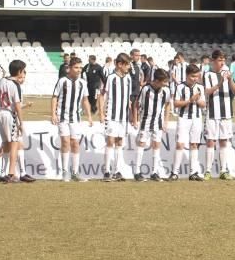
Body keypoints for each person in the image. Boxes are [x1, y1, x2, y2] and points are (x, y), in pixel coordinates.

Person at [51, 57, 92, 182]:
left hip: (75, 118)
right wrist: (53, 114)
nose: (79, 70)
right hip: (62, 117)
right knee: (65, 142)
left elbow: (85, 100)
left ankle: (75, 172)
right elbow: (54, 97)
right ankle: (64, 172)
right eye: (76, 67)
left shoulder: (82, 83)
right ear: (69, 68)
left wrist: (89, 116)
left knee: (75, 143)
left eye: (80, 67)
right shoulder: (62, 81)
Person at [203, 49, 235, 180]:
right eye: (219, 60)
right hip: (212, 113)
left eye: (224, 59)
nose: (222, 62)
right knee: (210, 142)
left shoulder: (227, 73)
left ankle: (223, 170)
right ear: (213, 61)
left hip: (226, 113)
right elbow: (207, 91)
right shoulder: (207, 75)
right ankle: (207, 171)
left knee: (224, 141)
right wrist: (220, 83)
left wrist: (229, 80)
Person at [98, 52, 133, 182]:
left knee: (119, 142)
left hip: (123, 117)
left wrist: (132, 115)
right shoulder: (111, 78)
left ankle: (117, 171)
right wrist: (101, 113)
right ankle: (106, 171)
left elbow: (128, 99)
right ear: (119, 64)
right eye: (127, 64)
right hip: (111, 115)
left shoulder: (128, 79)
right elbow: (101, 96)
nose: (129, 67)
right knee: (110, 141)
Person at [132, 68, 170, 182]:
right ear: (157, 81)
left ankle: (154, 172)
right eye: (164, 81)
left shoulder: (166, 91)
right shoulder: (146, 89)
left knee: (156, 145)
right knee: (141, 144)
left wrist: (166, 121)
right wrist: (135, 119)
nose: (165, 84)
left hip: (158, 123)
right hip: (145, 121)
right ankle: (137, 172)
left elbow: (168, 105)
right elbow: (136, 104)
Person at [171, 64, 206, 181]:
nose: (195, 78)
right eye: (192, 76)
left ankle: (193, 172)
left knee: (194, 144)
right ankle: (174, 172)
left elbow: (203, 104)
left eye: (197, 76)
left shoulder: (200, 87)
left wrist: (198, 101)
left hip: (196, 118)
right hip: (184, 118)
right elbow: (175, 103)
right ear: (187, 75)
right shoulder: (180, 87)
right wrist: (190, 101)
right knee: (180, 144)